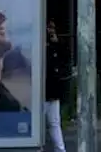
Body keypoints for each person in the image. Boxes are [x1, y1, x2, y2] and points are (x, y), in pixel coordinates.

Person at [43, 20, 70, 152]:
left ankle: (60, 149)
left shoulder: (55, 46)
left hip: (52, 90)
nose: (51, 31)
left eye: (52, 28)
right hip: (45, 89)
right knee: (52, 123)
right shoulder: (44, 47)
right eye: (49, 28)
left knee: (54, 122)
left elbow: (65, 58)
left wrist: (56, 43)